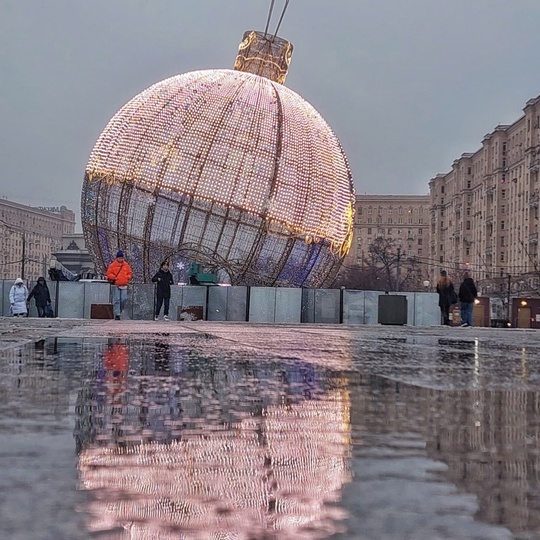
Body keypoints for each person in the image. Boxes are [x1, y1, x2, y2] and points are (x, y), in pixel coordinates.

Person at [106, 250, 133, 320]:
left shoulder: (126, 265)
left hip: (124, 284)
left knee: (124, 299)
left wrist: (128, 277)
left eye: (122, 258)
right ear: (117, 258)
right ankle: (117, 314)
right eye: (119, 258)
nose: (121, 259)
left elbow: (130, 273)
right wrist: (114, 277)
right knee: (117, 300)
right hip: (116, 284)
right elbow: (109, 274)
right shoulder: (112, 265)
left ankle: (120, 311)